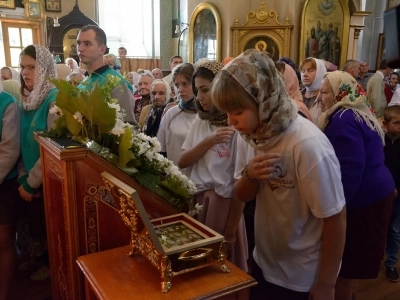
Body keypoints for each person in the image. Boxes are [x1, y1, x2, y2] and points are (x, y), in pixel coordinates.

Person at [212, 49, 346, 300]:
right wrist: (250, 175)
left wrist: (327, 283)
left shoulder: (307, 144)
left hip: (302, 275)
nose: (230, 121)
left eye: (237, 111)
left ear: (263, 99)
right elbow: (241, 194)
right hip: (265, 261)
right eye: (227, 113)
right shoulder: (252, 134)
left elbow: (335, 218)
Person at [316, 71, 395, 299]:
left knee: (346, 261)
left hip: (363, 199)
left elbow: (350, 171)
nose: (319, 97)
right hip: (374, 192)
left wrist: (335, 211)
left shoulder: (343, 120)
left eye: (324, 92)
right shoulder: (354, 112)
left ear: (341, 92)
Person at [178, 59, 248, 271]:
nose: (199, 97)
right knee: (198, 269)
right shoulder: (202, 121)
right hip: (198, 200)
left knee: (222, 267)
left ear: (221, 87)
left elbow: (240, 183)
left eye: (205, 90)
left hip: (222, 205)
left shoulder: (237, 125)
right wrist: (210, 140)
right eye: (197, 90)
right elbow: (183, 161)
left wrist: (230, 231)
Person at [18, 44, 59, 281]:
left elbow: (52, 146)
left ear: (44, 69)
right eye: (23, 67)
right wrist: (24, 176)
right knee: (35, 224)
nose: (25, 72)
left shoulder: (54, 99)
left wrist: (32, 182)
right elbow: (23, 143)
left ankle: (51, 266)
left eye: (32, 67)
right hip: (29, 178)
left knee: (49, 227)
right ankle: (38, 258)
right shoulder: (28, 101)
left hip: (46, 178)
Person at [76, 25, 136, 125]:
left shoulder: (118, 83)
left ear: (102, 50)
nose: (80, 48)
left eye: (87, 44)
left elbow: (128, 128)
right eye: (79, 43)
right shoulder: (85, 81)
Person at [0, 77, 20, 300]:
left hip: (3, 181)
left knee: (3, 240)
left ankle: (3, 293)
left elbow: (9, 148)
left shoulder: (7, 103)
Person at [157, 63, 196, 177]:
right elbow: (161, 148)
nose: (180, 89)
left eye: (185, 84)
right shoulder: (171, 113)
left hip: (199, 181)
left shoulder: (206, 117)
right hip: (174, 177)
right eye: (177, 85)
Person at [382, 105, 400, 282]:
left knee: (394, 230)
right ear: (385, 124)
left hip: (398, 195)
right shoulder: (381, 142)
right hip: (382, 194)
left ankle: (391, 262)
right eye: (396, 123)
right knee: (380, 226)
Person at [300, 57, 326, 123]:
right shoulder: (297, 96)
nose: (305, 74)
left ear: (320, 72)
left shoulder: (324, 98)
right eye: (303, 71)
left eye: (310, 70)